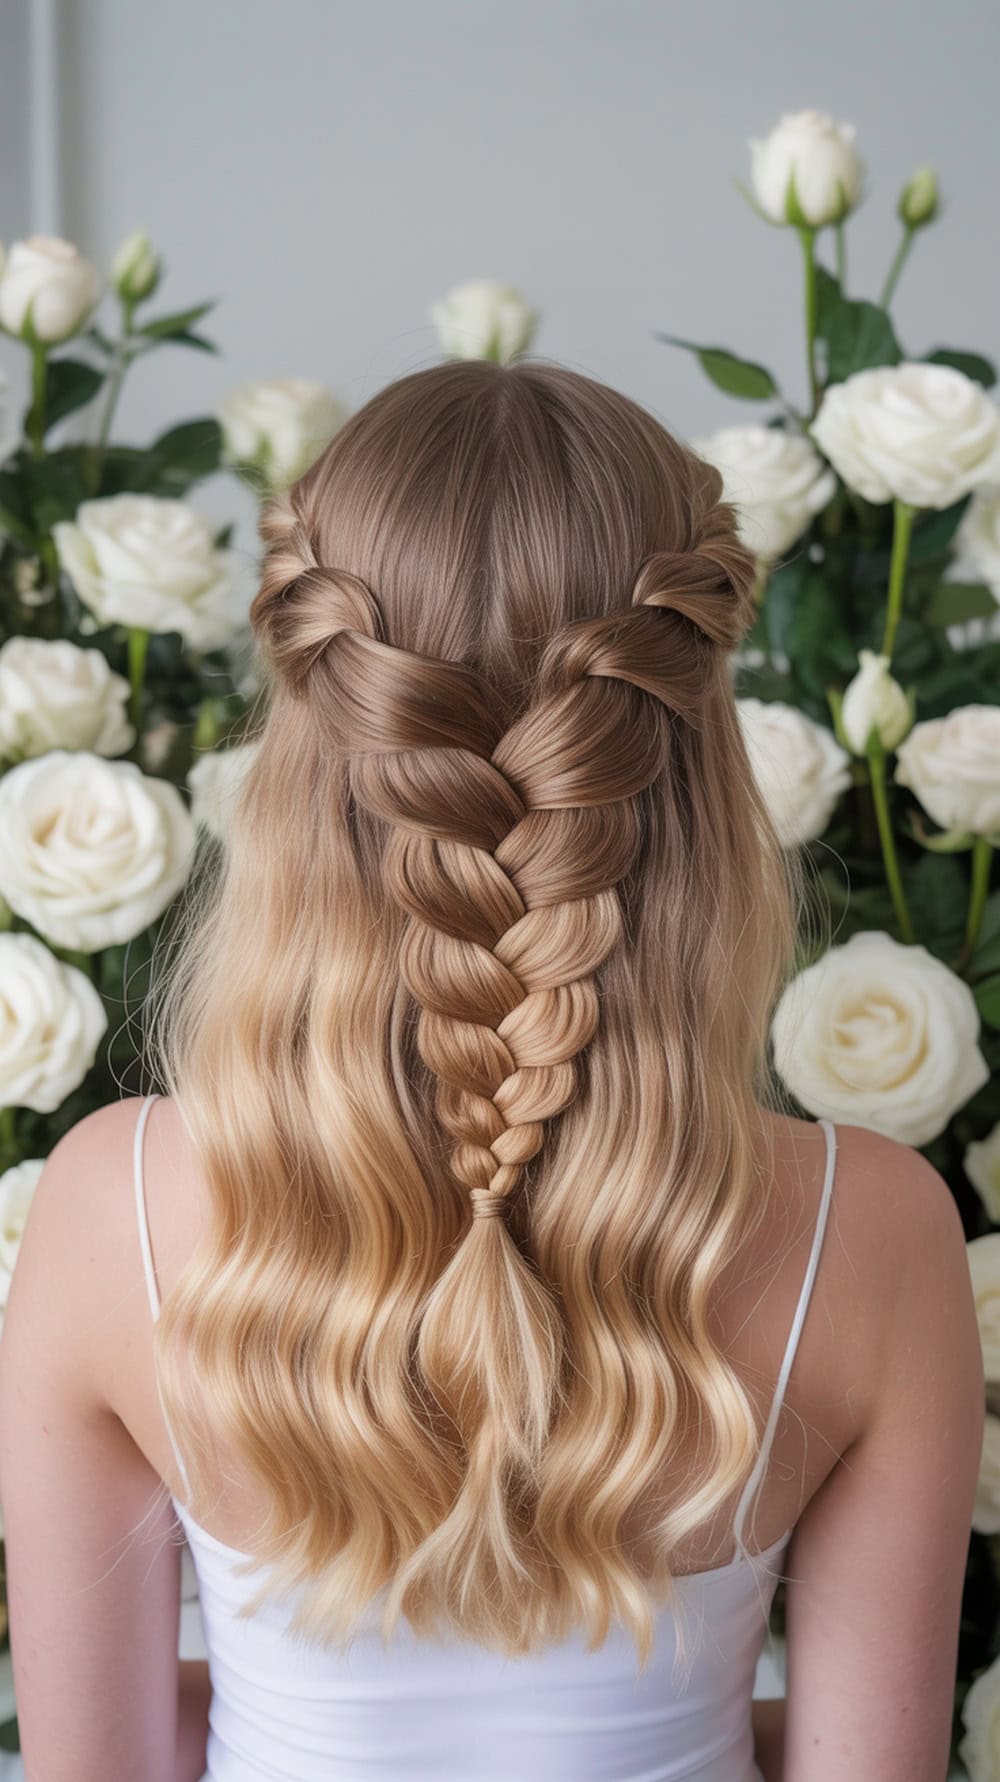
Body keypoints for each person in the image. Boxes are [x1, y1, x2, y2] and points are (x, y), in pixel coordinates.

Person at [0, 361, 983, 1782]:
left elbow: (99, 1767)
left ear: (307, 748)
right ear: (696, 758)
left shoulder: (117, 1205)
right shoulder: (873, 1226)